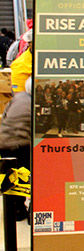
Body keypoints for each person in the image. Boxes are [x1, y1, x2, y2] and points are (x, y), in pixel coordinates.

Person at [0, 77, 32, 220]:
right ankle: (19, 211)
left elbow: (5, 116)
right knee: (22, 176)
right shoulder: (34, 102)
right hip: (20, 144)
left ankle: (13, 208)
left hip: (3, 141)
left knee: (10, 176)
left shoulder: (18, 97)